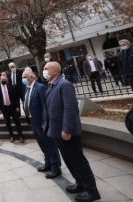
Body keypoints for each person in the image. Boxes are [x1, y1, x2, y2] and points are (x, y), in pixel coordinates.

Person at [43, 62, 100, 202]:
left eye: (46, 68)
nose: (43, 71)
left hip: (66, 132)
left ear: (55, 70)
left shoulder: (65, 85)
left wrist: (66, 129)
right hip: (56, 131)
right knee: (69, 160)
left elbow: (70, 109)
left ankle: (91, 190)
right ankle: (80, 183)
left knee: (78, 160)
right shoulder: (51, 86)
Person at [22, 70, 62, 179]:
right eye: (22, 77)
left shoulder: (40, 87)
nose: (23, 79)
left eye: (25, 77)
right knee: (42, 144)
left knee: (50, 144)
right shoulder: (27, 88)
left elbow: (45, 105)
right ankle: (48, 163)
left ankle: (56, 168)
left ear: (32, 77)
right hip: (33, 121)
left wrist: (45, 121)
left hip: (42, 122)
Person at [0, 75, 24, 143]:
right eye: (2, 79)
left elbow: (15, 97)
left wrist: (17, 106)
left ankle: (20, 136)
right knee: (7, 123)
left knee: (17, 122)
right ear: (0, 80)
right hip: (4, 108)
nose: (4, 80)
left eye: (5, 79)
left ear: (7, 80)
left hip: (12, 107)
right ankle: (11, 136)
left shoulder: (11, 87)